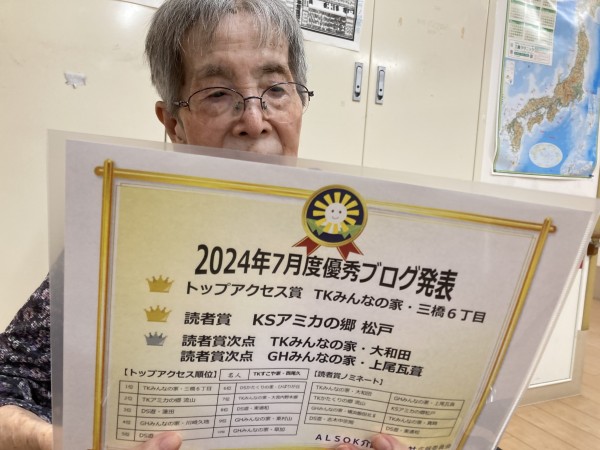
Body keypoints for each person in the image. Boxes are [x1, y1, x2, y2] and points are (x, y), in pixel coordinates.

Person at [0, 1, 409, 450]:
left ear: (300, 101)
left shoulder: (363, 245)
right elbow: (9, 381)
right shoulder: (116, 236)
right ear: (174, 124)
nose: (254, 121)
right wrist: (57, 441)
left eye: (276, 88)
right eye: (217, 94)